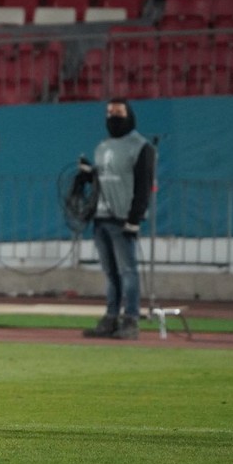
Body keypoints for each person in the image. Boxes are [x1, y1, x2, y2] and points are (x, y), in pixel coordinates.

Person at [76, 98, 155, 340]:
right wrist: (89, 175)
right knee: (111, 273)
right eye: (109, 112)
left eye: (118, 112)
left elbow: (144, 185)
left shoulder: (141, 146)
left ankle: (130, 319)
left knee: (127, 271)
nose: (112, 116)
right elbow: (104, 178)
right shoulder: (102, 147)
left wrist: (134, 218)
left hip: (122, 218)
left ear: (129, 115)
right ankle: (111, 316)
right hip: (101, 216)